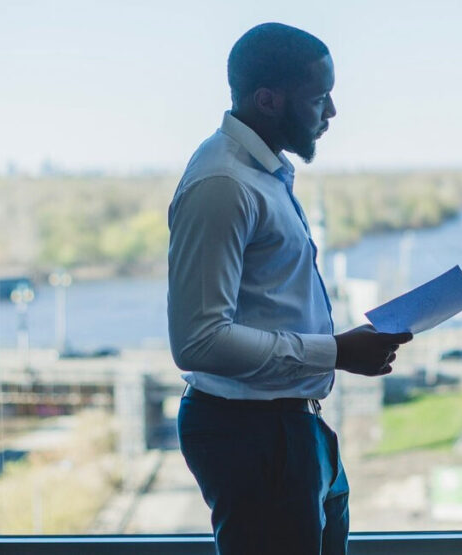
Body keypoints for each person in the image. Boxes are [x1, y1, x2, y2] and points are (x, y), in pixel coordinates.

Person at [167, 23, 412, 555]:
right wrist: (338, 352)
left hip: (293, 425)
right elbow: (197, 342)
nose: (332, 112)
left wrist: (336, 353)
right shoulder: (223, 184)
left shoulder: (264, 174)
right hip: (251, 434)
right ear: (268, 100)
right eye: (319, 97)